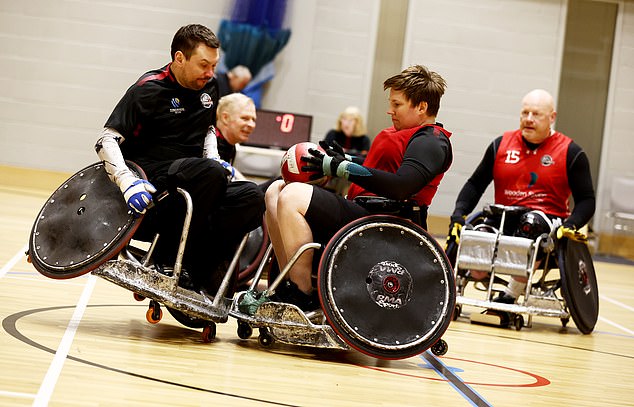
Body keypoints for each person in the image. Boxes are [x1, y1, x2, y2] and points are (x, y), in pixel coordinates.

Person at [264, 65, 453, 310]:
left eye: (397, 104)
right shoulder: (410, 134)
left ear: (421, 107)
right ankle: (285, 284)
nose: (390, 111)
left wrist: (342, 168)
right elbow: (385, 171)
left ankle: (302, 295)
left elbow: (401, 187)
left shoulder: (432, 141)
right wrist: (345, 162)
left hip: (386, 225)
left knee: (291, 196)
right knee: (275, 191)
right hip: (364, 214)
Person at [94, 24, 265, 294]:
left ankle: (196, 255)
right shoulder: (147, 90)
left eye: (214, 65)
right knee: (210, 174)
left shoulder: (211, 86)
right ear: (179, 58)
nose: (210, 73)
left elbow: (208, 128)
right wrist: (127, 182)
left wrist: (213, 156)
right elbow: (106, 139)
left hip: (197, 181)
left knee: (253, 197)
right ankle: (168, 257)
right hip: (153, 185)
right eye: (204, 65)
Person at [446, 88, 595, 304]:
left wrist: (571, 224)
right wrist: (459, 214)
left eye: (536, 114)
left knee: (530, 224)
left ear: (552, 117)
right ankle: (472, 279)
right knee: (477, 234)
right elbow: (475, 184)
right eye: (525, 113)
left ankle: (511, 294)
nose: (529, 119)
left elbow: (587, 200)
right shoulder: (500, 145)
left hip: (545, 220)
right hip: (504, 216)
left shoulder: (572, 153)